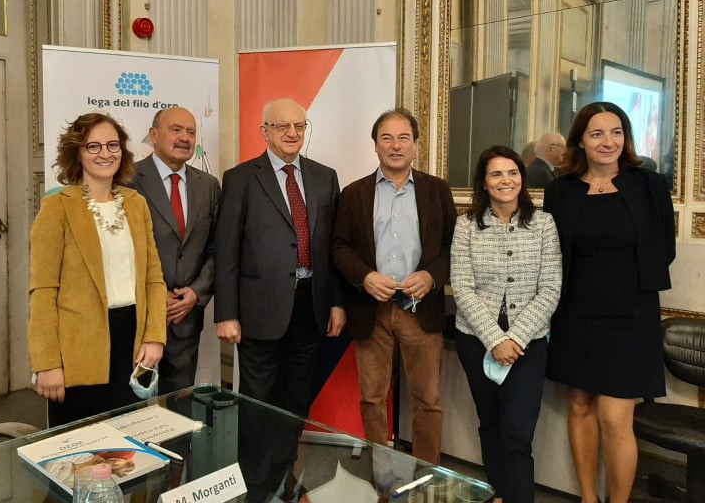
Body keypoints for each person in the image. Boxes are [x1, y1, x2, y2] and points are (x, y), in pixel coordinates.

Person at [214, 98, 346, 500]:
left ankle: (284, 475)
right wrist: (227, 313)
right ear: (264, 131)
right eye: (282, 126)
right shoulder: (239, 178)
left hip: (311, 305)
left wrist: (337, 302)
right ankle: (254, 486)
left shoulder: (325, 177)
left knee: (295, 400)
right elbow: (227, 249)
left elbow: (333, 247)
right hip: (258, 311)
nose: (292, 133)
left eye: (299, 126)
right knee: (257, 402)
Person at [543, 102, 675, 503]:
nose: (608, 141)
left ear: (626, 137)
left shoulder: (649, 185)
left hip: (631, 316)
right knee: (580, 406)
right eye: (597, 133)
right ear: (580, 140)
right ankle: (588, 496)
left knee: (616, 418)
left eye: (616, 132)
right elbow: (553, 252)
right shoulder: (559, 191)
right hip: (575, 314)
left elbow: (664, 248)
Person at [332, 108, 456, 465]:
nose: (395, 145)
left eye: (404, 138)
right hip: (372, 309)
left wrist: (432, 276)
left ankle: (426, 472)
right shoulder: (354, 193)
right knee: (372, 397)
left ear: (416, 145)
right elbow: (339, 246)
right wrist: (365, 276)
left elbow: (452, 246)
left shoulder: (436, 190)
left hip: (421, 310)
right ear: (375, 145)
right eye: (386, 138)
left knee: (427, 400)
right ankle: (382, 470)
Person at [29, 113, 166, 428]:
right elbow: (43, 290)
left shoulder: (136, 204)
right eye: (93, 146)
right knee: (81, 458)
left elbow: (153, 280)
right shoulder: (57, 207)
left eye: (112, 145)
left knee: (130, 452)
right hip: (78, 348)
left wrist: (154, 336)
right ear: (77, 152)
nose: (105, 154)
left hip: (133, 343)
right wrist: (47, 363)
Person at [450, 145, 561, 502]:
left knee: (517, 430)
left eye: (512, 173)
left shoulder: (543, 223)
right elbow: (462, 288)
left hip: (527, 342)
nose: (506, 180)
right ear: (483, 182)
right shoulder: (466, 225)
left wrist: (514, 337)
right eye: (496, 174)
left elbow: (550, 288)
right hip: (475, 338)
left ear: (522, 179)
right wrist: (494, 338)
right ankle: (498, 493)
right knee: (491, 422)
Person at [129, 107, 220, 395]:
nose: (184, 138)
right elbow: (122, 250)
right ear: (153, 135)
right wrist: (155, 295)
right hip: (138, 314)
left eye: (191, 132)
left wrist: (196, 293)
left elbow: (218, 247)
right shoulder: (127, 179)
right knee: (129, 404)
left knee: (179, 402)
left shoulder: (208, 185)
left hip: (185, 314)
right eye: (176, 130)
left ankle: (177, 444)